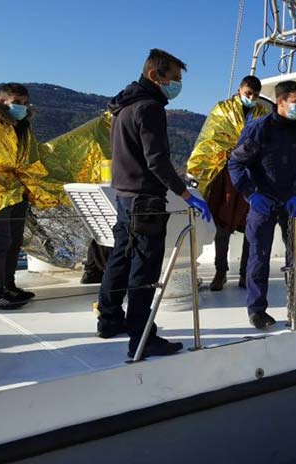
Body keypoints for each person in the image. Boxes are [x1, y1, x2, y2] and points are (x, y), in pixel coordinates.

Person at [95, 49, 212, 358]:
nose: (177, 85)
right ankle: (142, 337)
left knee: (119, 259)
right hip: (146, 201)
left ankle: (108, 320)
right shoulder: (149, 108)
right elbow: (157, 162)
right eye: (173, 78)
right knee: (143, 270)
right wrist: (185, 194)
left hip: (124, 196)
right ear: (154, 76)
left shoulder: (122, 107)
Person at [228, 80, 296, 329]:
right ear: (280, 102)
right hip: (263, 200)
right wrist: (251, 194)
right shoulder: (259, 129)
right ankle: (257, 309)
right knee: (259, 255)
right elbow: (236, 163)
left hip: (293, 203)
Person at [187, 75, 270, 291]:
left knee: (250, 225)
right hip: (225, 175)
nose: (251, 98)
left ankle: (245, 273)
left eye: (255, 95)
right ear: (239, 90)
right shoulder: (222, 109)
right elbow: (210, 139)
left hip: (252, 176)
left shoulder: (262, 113)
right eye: (248, 94)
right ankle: (220, 271)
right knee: (222, 225)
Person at [0, 83, 39, 310]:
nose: (22, 107)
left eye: (25, 103)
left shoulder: (22, 127)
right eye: (16, 103)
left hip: (17, 192)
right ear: (2, 101)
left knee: (14, 240)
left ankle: (9, 286)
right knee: (0, 241)